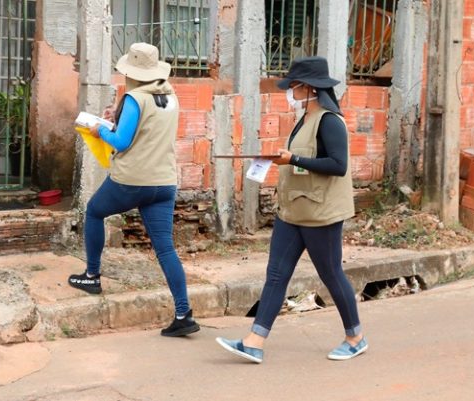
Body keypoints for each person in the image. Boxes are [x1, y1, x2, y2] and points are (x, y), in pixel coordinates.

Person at [215, 57, 366, 363]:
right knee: (276, 275)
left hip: (320, 214)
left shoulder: (329, 121)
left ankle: (355, 338)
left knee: (331, 274)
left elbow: (338, 166)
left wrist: (292, 160)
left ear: (309, 88)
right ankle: (254, 341)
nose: (290, 92)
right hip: (293, 211)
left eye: (294, 86)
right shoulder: (306, 118)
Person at [68, 43, 199, 337]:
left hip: (131, 180)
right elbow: (148, 129)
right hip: (164, 183)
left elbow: (122, 142)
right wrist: (115, 117)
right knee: (165, 248)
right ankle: (183, 313)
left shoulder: (134, 98)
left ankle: (91, 276)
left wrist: (99, 129)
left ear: (132, 72)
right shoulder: (169, 95)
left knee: (94, 211)